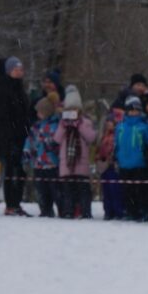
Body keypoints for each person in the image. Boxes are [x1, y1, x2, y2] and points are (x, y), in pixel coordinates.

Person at [0, 56, 33, 216]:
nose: (20, 72)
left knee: (20, 171)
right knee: (11, 170)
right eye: (16, 69)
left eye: (21, 69)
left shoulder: (20, 89)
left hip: (21, 136)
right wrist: (6, 136)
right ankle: (10, 204)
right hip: (9, 137)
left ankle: (15, 203)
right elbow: (2, 116)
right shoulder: (3, 90)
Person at [55, 86, 96, 219]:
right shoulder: (62, 123)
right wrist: (63, 125)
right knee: (67, 190)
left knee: (83, 190)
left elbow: (91, 137)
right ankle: (68, 211)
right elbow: (56, 139)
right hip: (66, 162)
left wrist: (79, 125)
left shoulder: (86, 122)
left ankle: (85, 212)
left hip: (81, 161)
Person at [114, 96, 148, 222]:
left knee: (141, 189)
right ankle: (130, 210)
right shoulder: (120, 127)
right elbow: (116, 142)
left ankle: (143, 210)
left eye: (136, 110)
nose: (134, 113)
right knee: (127, 190)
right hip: (124, 162)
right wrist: (116, 155)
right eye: (131, 110)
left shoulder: (143, 126)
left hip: (139, 163)